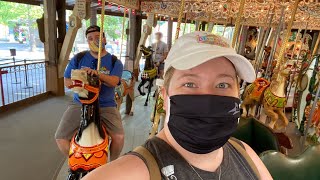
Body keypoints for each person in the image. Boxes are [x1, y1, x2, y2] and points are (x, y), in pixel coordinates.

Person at [82, 32, 272, 180]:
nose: (207, 98)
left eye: (223, 85)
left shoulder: (245, 153)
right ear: (165, 96)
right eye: (189, 84)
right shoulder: (132, 172)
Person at [55, 25, 124, 161]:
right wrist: (82, 78)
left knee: (119, 136)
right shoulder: (79, 58)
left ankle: (113, 163)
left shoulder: (114, 61)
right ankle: (75, 161)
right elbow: (67, 81)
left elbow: (114, 81)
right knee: (60, 137)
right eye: (90, 38)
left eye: (98, 37)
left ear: (104, 39)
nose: (94, 41)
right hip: (80, 103)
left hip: (105, 105)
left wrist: (99, 75)